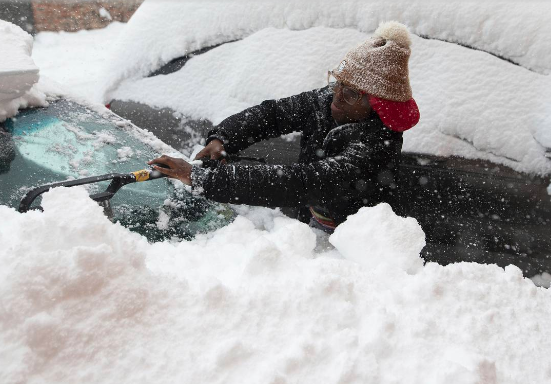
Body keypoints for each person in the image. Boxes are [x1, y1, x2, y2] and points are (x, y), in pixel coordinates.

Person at [149, 21, 420, 232]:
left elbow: (301, 182)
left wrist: (203, 179)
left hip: (357, 241)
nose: (337, 94)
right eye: (337, 82)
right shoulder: (326, 101)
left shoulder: (376, 144)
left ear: (377, 105)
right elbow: (273, 114)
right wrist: (223, 138)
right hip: (312, 223)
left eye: (351, 93)